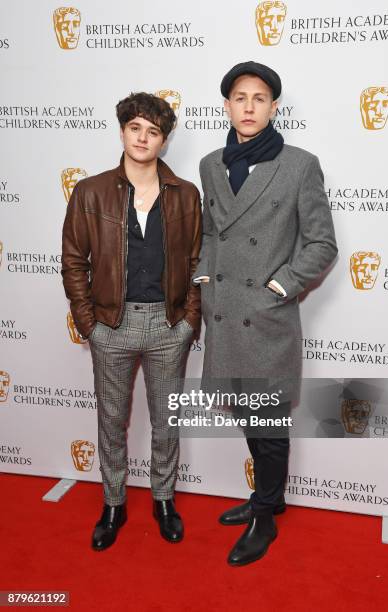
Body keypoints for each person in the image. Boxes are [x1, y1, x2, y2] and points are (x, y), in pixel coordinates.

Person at [194, 61, 338, 566]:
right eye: (240, 97)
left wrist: (284, 284)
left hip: (267, 316)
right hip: (224, 312)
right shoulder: (212, 164)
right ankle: (268, 499)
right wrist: (204, 276)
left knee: (269, 422)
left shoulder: (299, 164)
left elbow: (322, 242)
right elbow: (213, 231)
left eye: (259, 98)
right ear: (228, 105)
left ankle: (266, 516)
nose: (249, 106)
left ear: (274, 107)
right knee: (248, 416)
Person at [62, 92, 202, 550]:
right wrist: (90, 324)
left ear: (164, 140)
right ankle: (114, 502)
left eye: (154, 131)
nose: (143, 138)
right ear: (122, 131)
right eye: (135, 128)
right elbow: (73, 261)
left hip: (168, 325)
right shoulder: (91, 191)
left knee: (166, 422)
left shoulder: (186, 194)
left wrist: (188, 321)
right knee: (111, 420)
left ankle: (164, 500)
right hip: (112, 327)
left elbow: (199, 261)